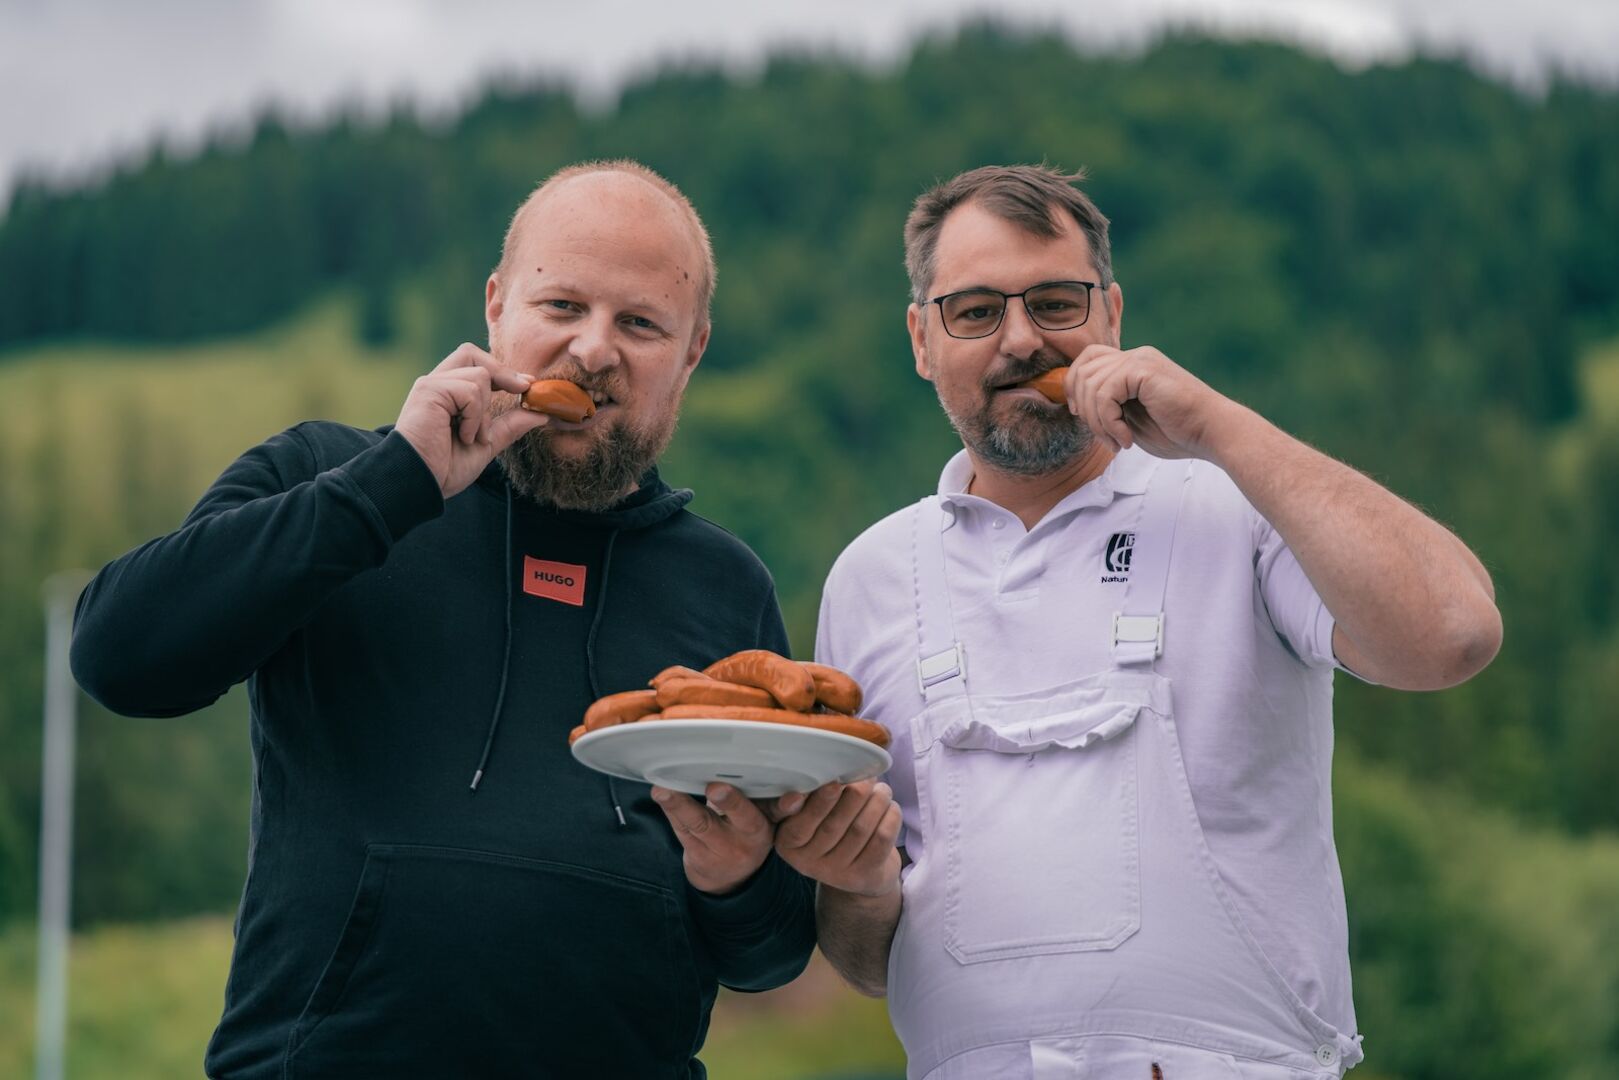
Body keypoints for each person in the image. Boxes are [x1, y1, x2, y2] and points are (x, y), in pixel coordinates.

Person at [71, 160, 818, 1079]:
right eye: (561, 307)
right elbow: (119, 658)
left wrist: (739, 877)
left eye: (639, 323)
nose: (593, 350)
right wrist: (394, 486)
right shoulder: (330, 481)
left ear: (692, 351)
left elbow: (768, 954)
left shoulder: (723, 586)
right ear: (497, 307)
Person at [782, 164, 1503, 1078]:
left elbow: (1453, 633)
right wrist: (853, 879)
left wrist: (1217, 428)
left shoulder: (1234, 508)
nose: (1018, 340)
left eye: (1054, 302)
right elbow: (867, 961)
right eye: (973, 312)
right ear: (921, 339)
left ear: (1112, 318)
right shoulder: (871, 579)